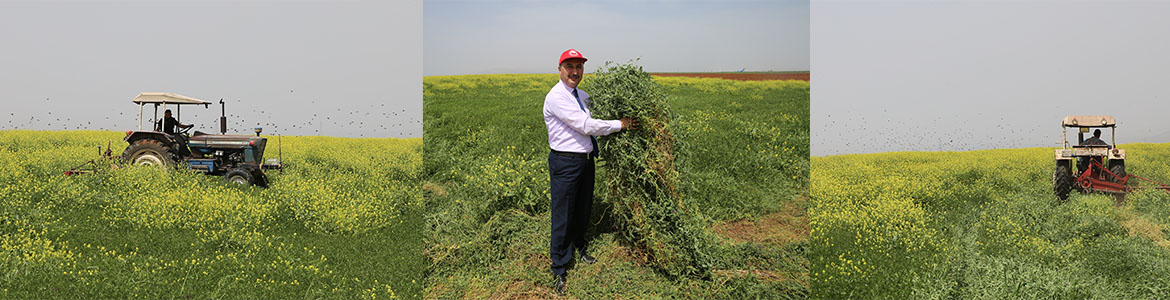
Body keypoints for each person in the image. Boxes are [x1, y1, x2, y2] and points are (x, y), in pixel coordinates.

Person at [542, 48, 637, 295]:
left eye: (579, 67)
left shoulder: (582, 96)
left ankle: (579, 247)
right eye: (570, 66)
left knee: (582, 208)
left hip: (585, 160)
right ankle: (559, 268)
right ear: (560, 69)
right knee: (563, 213)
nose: (575, 71)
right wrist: (620, 125)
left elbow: (598, 114)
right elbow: (585, 126)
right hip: (565, 162)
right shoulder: (556, 97)